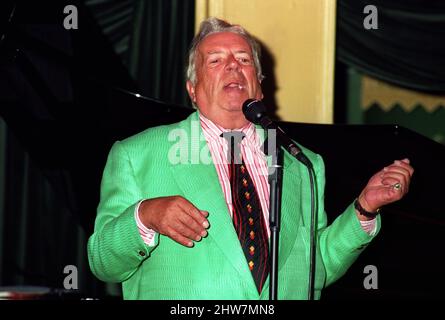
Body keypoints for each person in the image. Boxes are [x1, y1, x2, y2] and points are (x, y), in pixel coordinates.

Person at [87, 17, 414, 300]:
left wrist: (363, 209)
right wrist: (145, 216)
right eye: (215, 60)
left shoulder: (303, 163)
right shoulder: (136, 154)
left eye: (243, 59)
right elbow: (103, 263)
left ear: (259, 86)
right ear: (192, 88)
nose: (232, 66)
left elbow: (317, 269)